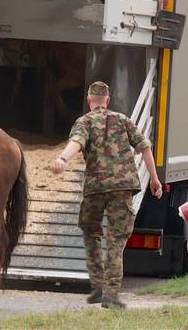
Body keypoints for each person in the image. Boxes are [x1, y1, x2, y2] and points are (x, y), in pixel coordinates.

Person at [52, 81, 162, 309]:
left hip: (96, 187)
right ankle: (111, 295)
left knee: (91, 232)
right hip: (123, 187)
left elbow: (77, 141)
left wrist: (63, 158)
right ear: (108, 100)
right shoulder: (123, 120)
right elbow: (145, 147)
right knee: (116, 239)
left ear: (89, 100)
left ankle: (98, 285)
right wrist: (154, 178)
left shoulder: (84, 121)